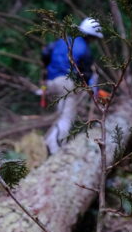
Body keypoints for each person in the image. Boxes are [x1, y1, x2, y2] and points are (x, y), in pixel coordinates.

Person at [41, 17, 103, 156]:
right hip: (65, 82)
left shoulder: (63, 40)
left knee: (60, 115)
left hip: (51, 82)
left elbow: (45, 53)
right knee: (66, 118)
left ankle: (46, 143)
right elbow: (86, 74)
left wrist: (47, 69)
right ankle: (53, 150)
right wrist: (89, 88)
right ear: (91, 36)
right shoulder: (85, 50)